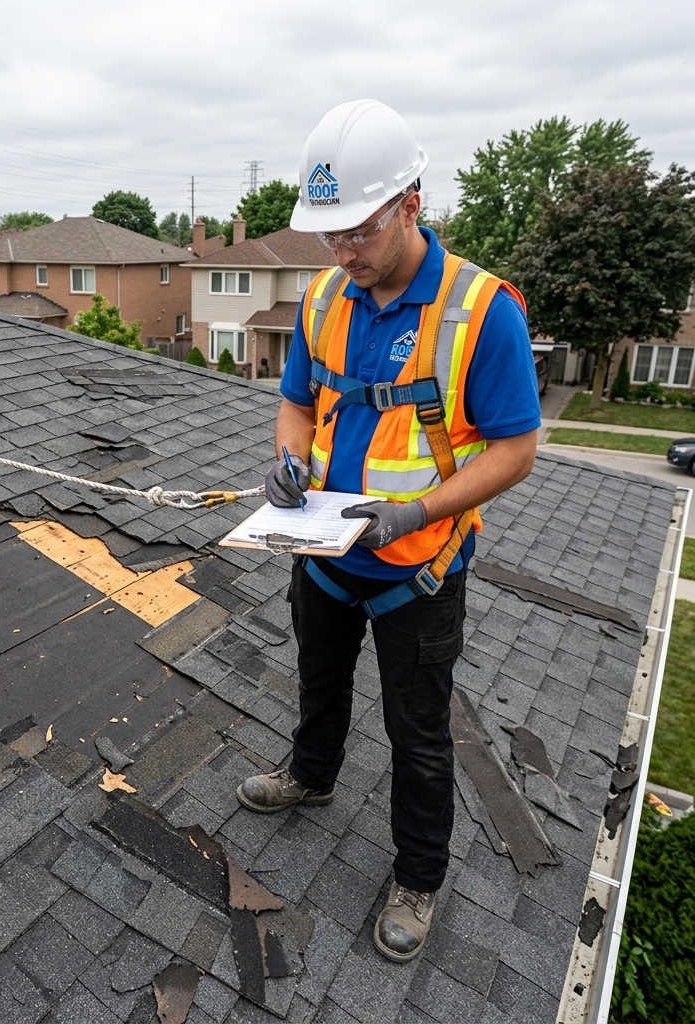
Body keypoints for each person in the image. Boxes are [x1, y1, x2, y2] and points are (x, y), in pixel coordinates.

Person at [236, 100, 541, 963]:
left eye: (356, 232)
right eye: (328, 235)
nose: (340, 252)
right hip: (329, 556)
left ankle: (419, 876)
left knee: (419, 732)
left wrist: (416, 512)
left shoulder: (480, 311)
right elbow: (298, 402)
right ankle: (312, 774)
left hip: (419, 567)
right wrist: (291, 463)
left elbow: (516, 449)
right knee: (318, 681)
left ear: (410, 201)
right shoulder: (328, 297)